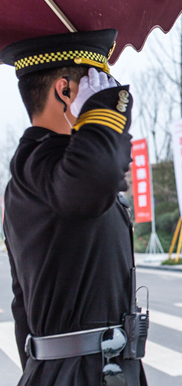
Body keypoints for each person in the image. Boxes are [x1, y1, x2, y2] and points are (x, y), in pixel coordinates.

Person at [1, 29, 147, 385]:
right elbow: (97, 176)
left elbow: (23, 305)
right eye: (93, 85)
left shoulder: (55, 168)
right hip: (76, 373)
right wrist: (103, 114)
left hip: (90, 369)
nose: (104, 91)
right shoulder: (39, 162)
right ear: (64, 91)